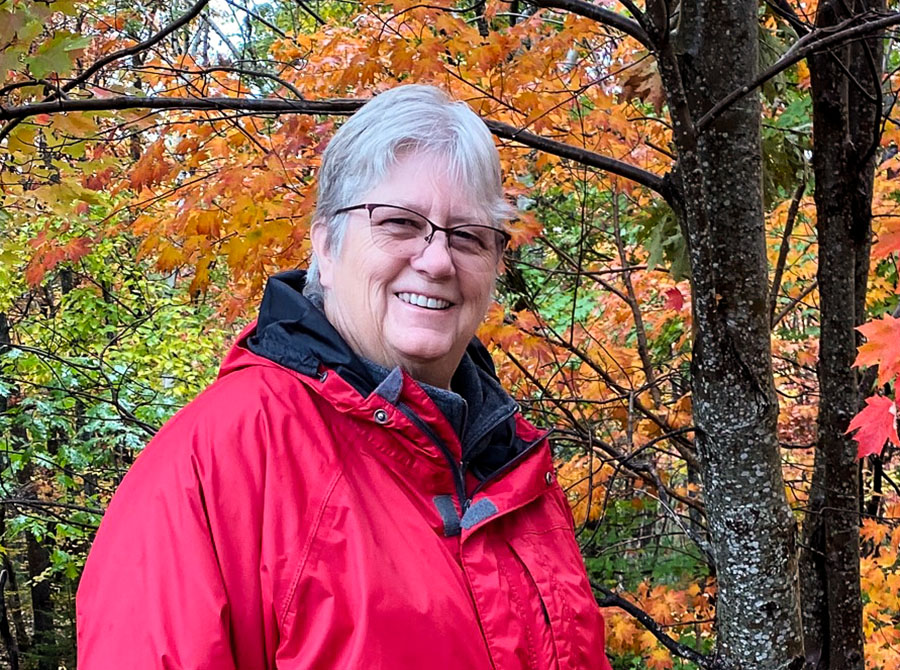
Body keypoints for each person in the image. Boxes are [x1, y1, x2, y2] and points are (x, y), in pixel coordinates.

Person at [76, 84, 611, 669]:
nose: (437, 261)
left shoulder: (513, 465)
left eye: (468, 237)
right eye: (401, 224)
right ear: (325, 246)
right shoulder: (218, 461)